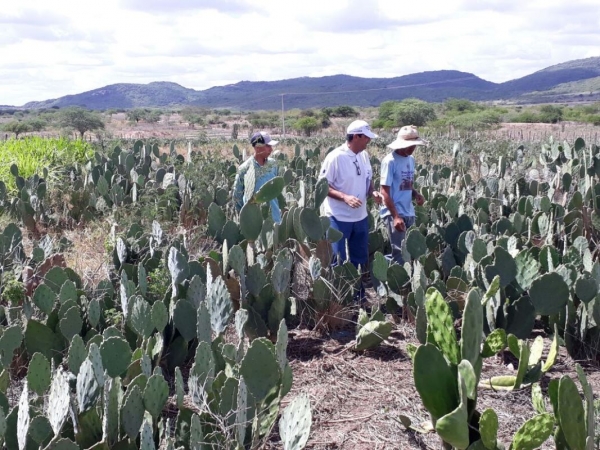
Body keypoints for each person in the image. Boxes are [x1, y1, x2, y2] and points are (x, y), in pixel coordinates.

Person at [318, 119, 382, 276]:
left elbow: (368, 179)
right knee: (338, 259)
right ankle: (339, 296)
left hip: (360, 216)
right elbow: (323, 186)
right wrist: (344, 197)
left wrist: (372, 192)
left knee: (359, 258)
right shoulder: (335, 157)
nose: (369, 140)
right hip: (337, 217)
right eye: (366, 137)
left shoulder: (364, 155)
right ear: (355, 137)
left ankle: (357, 294)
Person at [379, 125, 427, 264]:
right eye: (410, 145)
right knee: (399, 253)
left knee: (408, 252)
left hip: (408, 211)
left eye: (414, 145)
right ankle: (393, 283)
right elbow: (384, 192)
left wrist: (416, 194)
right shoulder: (389, 161)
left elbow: (406, 183)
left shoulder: (410, 160)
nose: (413, 148)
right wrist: (395, 216)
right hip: (394, 213)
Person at [232, 131, 281, 223]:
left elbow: (276, 189)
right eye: (268, 146)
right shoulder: (244, 169)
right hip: (253, 222)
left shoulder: (273, 164)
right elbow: (237, 197)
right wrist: (246, 215)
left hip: (274, 218)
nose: (271, 149)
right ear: (258, 148)